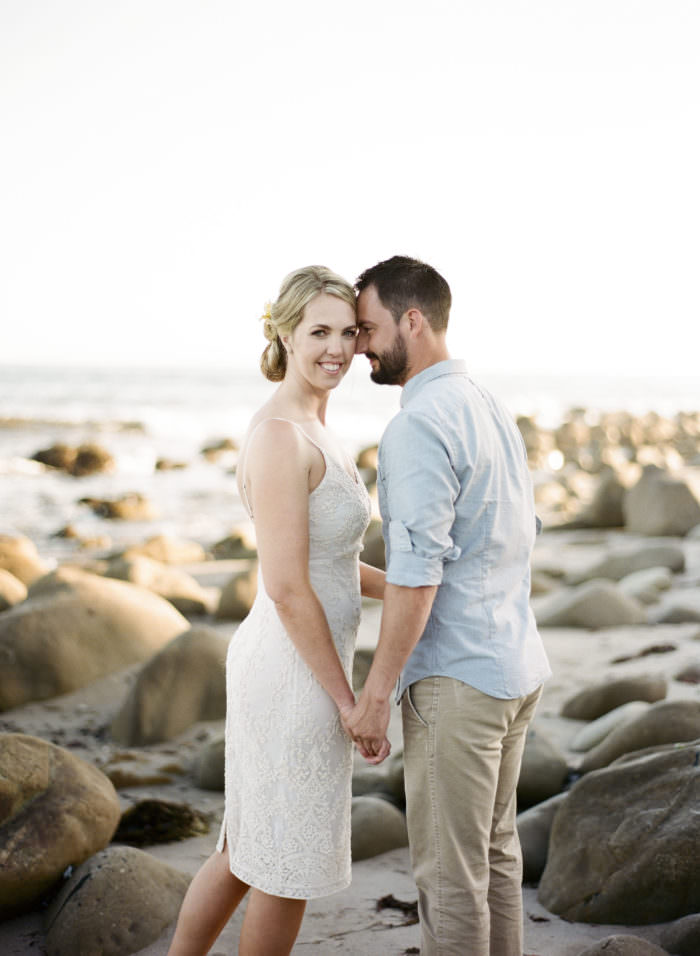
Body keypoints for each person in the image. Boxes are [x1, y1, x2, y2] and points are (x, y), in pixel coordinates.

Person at [167, 265, 387, 956]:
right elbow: (289, 587)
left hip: (298, 661)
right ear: (285, 335)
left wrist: (415, 588)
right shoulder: (280, 436)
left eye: (348, 332)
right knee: (281, 863)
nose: (337, 348)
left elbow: (327, 563)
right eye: (319, 331)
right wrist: (349, 699)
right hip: (293, 672)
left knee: (246, 848)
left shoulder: (314, 424)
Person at [343, 255, 551, 956]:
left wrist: (376, 695)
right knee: (494, 860)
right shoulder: (488, 405)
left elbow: (420, 573)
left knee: (449, 880)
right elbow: (522, 531)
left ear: (413, 319)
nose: (359, 346)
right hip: (515, 668)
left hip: (457, 682)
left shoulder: (415, 427)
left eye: (367, 328)